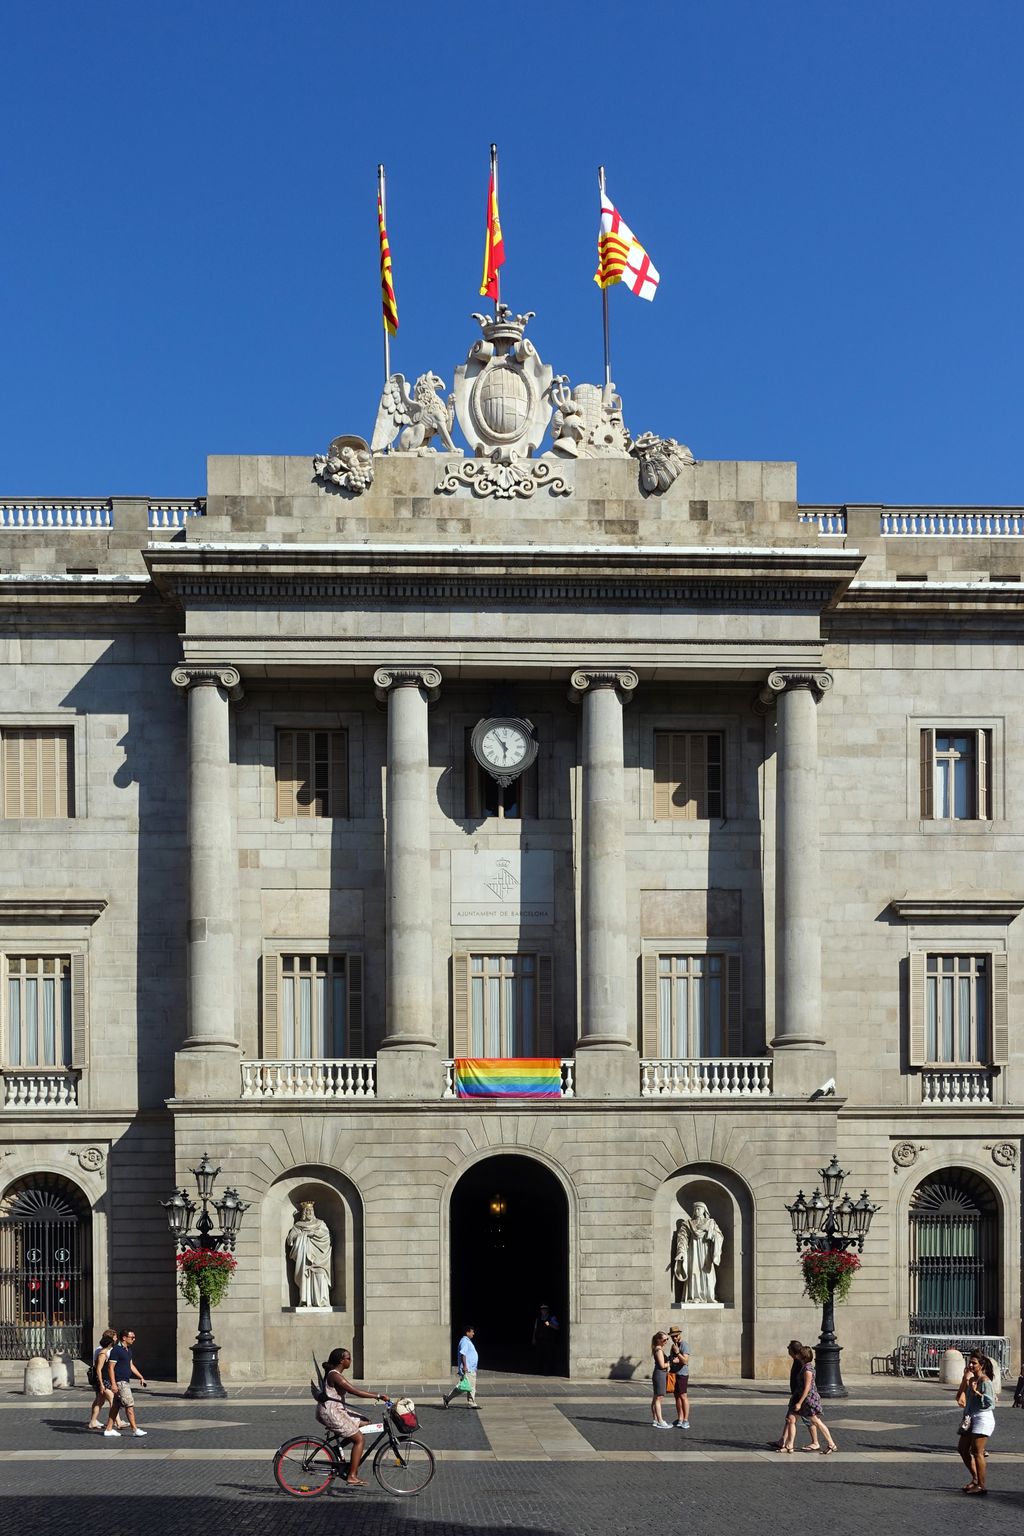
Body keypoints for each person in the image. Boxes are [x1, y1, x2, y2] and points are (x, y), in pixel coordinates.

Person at [317, 1346, 388, 1488]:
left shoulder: (335, 1374)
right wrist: (378, 1396)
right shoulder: (334, 1375)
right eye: (349, 1358)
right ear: (342, 1360)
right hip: (331, 1413)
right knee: (359, 1439)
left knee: (365, 1422)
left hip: (338, 1410)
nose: (351, 1360)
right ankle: (352, 1476)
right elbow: (354, 1391)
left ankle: (337, 1449)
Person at [777, 1341, 837, 1454]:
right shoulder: (804, 1367)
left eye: (799, 1354)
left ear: (802, 1356)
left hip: (808, 1400)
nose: (797, 1355)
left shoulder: (807, 1370)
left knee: (816, 1421)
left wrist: (799, 1402)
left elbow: (807, 1388)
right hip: (801, 1398)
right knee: (791, 1419)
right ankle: (789, 1445)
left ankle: (831, 1444)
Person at [957, 1351, 996, 1495]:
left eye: (974, 1363)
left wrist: (976, 1392)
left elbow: (990, 1403)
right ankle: (975, 1478)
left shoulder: (985, 1381)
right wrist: (965, 1381)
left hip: (983, 1418)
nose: (971, 1365)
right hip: (970, 1418)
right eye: (970, 1362)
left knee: (977, 1452)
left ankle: (981, 1485)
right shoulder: (971, 1379)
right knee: (962, 1448)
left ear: (981, 1365)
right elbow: (960, 1398)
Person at [285, 1200, 333, 1308]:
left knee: (320, 1275)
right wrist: (301, 1236)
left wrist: (314, 1234)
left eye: (311, 1210)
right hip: (304, 1258)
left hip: (320, 1257)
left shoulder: (320, 1223)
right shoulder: (298, 1225)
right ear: (303, 1212)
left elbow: (327, 1237)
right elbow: (290, 1239)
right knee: (305, 1278)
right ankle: (306, 1301)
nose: (309, 1212)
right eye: (307, 1210)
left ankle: (322, 1301)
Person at [103, 1328, 147, 1437]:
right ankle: (135, 1429)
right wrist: (113, 1384)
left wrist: (140, 1377)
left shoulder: (128, 1350)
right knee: (129, 1405)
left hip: (125, 1381)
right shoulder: (116, 1350)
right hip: (120, 1382)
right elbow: (110, 1368)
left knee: (116, 1406)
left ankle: (108, 1430)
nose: (134, 1339)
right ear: (124, 1338)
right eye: (132, 1337)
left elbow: (130, 1365)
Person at [87, 1328, 125, 1431]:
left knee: (100, 1400)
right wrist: (101, 1383)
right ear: (111, 1339)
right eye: (115, 1336)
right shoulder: (103, 1352)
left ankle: (93, 1421)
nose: (116, 1338)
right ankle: (118, 1422)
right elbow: (99, 1368)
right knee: (113, 1399)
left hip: (104, 1379)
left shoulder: (103, 1350)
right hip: (103, 1380)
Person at [442, 1326, 479, 1408]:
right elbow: (463, 1354)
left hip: (471, 1368)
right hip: (468, 1369)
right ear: (467, 1332)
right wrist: (465, 1366)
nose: (473, 1333)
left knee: (470, 1386)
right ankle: (447, 1398)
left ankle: (471, 1403)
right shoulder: (465, 1341)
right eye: (472, 1332)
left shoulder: (467, 1341)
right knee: (463, 1387)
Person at [667, 1326, 690, 1428]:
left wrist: (677, 1353)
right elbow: (672, 1359)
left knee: (683, 1396)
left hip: (682, 1374)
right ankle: (680, 1418)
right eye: (672, 1337)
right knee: (676, 1397)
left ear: (680, 1334)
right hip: (674, 1373)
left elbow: (685, 1361)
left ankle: (686, 1420)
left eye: (676, 1336)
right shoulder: (673, 1345)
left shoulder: (684, 1345)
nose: (675, 1338)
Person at [650, 1331, 672, 1428]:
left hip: (659, 1374)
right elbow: (662, 1365)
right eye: (664, 1339)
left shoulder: (658, 1349)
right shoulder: (658, 1350)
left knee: (656, 1398)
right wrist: (671, 1363)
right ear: (659, 1340)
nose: (666, 1341)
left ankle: (655, 1419)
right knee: (659, 1398)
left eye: (667, 1339)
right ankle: (660, 1421)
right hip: (660, 1374)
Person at [532, 1303, 560, 1374]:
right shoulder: (538, 1318)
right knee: (539, 1356)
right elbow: (535, 1329)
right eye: (542, 1309)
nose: (543, 1311)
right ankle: (539, 1371)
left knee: (549, 1357)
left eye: (545, 1309)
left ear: (547, 1310)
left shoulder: (552, 1318)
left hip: (549, 1341)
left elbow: (557, 1327)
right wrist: (533, 1338)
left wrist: (549, 1324)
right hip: (540, 1340)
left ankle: (550, 1371)